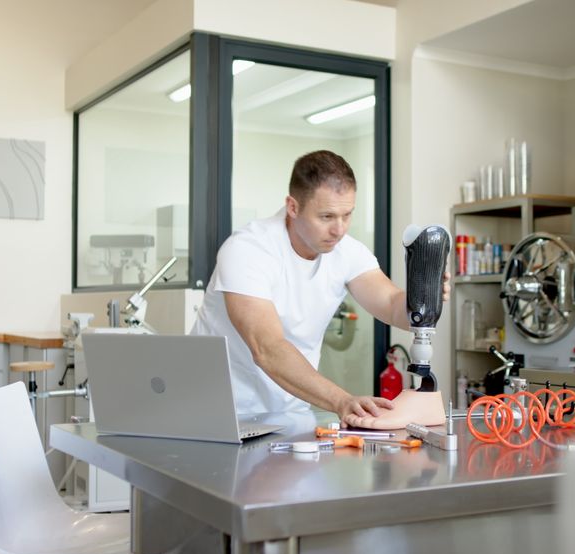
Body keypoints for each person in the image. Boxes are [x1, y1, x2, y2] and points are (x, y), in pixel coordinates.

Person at [190, 150, 448, 426]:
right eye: (326, 217)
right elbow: (267, 347)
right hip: (217, 411)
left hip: (289, 410)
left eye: (347, 215)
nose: (339, 229)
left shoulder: (346, 251)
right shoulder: (248, 250)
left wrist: (423, 298)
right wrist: (340, 400)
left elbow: (391, 305)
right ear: (293, 207)